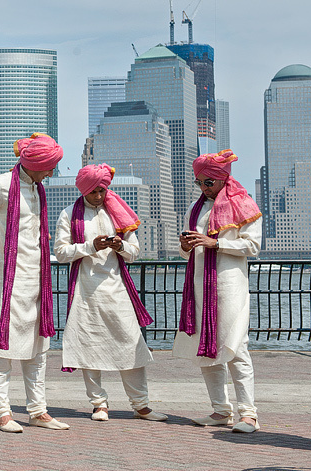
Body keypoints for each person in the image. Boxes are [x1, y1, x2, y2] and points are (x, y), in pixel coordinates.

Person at [0, 133, 69, 433]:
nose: (52, 173)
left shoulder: (37, 189)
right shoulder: (1, 185)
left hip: (36, 279)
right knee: (2, 350)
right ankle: (2, 412)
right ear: (34, 164)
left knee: (38, 350)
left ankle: (37, 411)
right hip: (5, 277)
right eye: (49, 167)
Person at [53, 164, 167, 423]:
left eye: (102, 190)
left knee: (132, 344)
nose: (98, 196)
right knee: (89, 346)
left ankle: (141, 405)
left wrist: (120, 245)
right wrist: (89, 246)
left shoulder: (119, 213)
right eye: (93, 191)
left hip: (117, 290)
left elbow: (135, 252)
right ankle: (99, 404)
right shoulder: (70, 215)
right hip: (86, 291)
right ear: (84, 190)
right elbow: (60, 253)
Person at [173, 149, 262, 433]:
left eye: (207, 182)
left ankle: (248, 414)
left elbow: (253, 246)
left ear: (222, 179)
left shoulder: (244, 204)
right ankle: (221, 410)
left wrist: (217, 244)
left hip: (230, 286)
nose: (203, 188)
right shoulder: (195, 208)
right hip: (200, 287)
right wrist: (186, 246)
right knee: (205, 350)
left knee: (236, 348)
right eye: (198, 182)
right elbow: (186, 248)